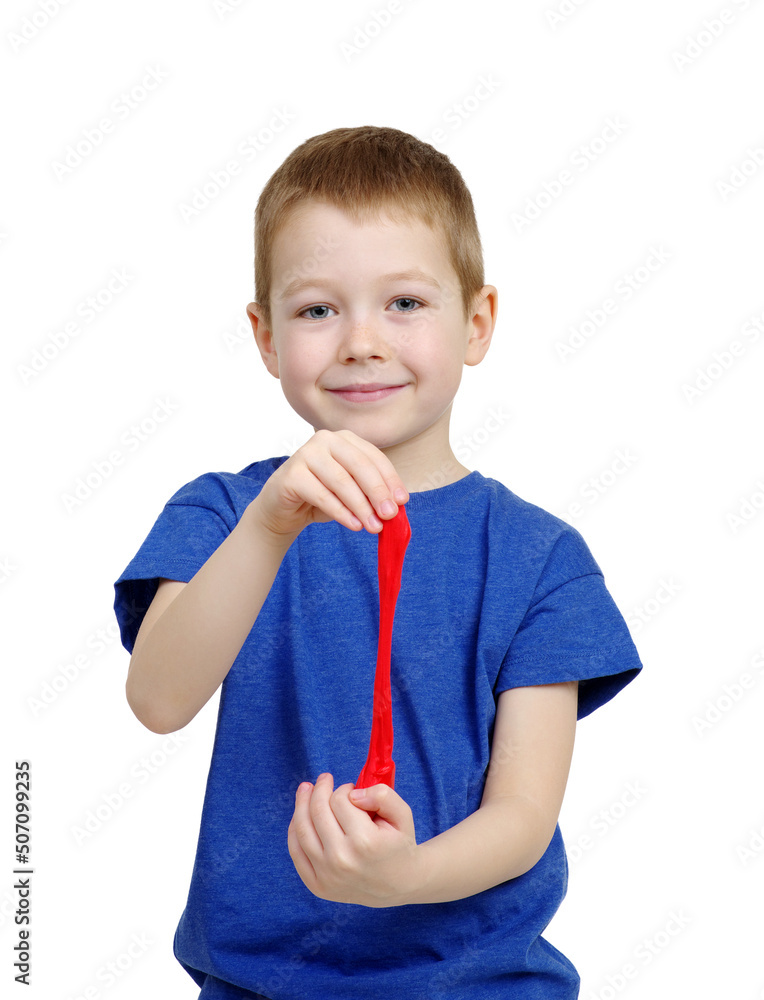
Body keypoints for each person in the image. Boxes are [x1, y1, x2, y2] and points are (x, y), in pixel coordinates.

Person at [114, 125, 643, 999]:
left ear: (476, 323)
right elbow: (158, 698)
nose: (361, 341)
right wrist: (272, 526)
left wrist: (404, 877)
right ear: (266, 337)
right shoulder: (226, 515)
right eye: (318, 309)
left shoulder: (541, 559)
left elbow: (521, 815)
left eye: (404, 303)